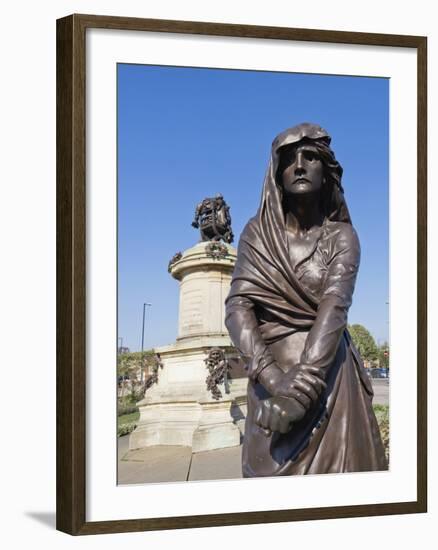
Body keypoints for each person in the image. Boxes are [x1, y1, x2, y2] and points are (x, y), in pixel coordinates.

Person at [225, 123, 387, 476]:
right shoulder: (256, 235)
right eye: (289, 159)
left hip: (330, 382)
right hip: (271, 386)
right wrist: (273, 379)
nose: (299, 165)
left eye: (310, 157)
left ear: (325, 171)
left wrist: (298, 393)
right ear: (276, 174)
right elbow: (238, 308)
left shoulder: (342, 237)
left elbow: (334, 309)